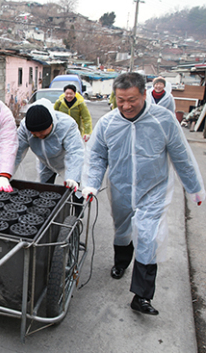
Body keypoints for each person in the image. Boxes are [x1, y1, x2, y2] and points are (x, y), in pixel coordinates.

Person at [81, 72, 204, 316]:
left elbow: (182, 156)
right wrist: (91, 184)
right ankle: (121, 263)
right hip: (120, 188)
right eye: (120, 100)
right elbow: (96, 157)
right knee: (122, 229)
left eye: (132, 100)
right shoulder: (107, 123)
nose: (126, 106)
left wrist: (194, 188)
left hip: (153, 190)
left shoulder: (164, 120)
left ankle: (142, 296)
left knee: (148, 238)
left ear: (144, 95)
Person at [14, 98, 84, 192]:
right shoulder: (24, 127)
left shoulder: (67, 125)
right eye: (34, 134)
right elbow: (15, 152)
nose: (39, 135)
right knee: (44, 190)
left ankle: (77, 204)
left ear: (51, 124)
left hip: (66, 162)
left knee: (74, 191)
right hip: (45, 162)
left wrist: (73, 177)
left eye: (42, 133)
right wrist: (3, 174)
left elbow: (75, 152)